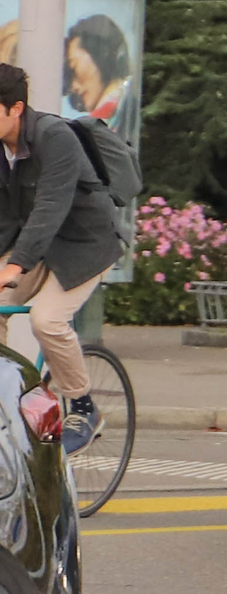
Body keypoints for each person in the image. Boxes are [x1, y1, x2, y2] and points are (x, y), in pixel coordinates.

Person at [0, 63, 123, 452]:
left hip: (83, 245)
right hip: (31, 244)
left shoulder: (56, 139)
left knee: (47, 320)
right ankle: (8, 398)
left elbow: (50, 209)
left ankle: (84, 408)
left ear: (15, 108)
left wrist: (14, 267)